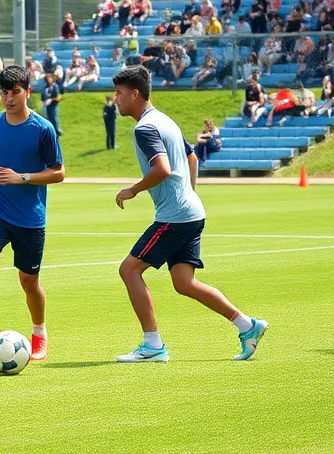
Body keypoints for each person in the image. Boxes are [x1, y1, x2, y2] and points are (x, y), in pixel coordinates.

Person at [111, 65, 266, 363]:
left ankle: (153, 346)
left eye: (119, 93)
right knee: (184, 283)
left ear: (135, 94)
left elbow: (162, 168)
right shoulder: (165, 120)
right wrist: (189, 193)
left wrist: (133, 190)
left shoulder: (145, 128)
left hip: (175, 216)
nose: (116, 99)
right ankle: (247, 325)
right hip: (191, 212)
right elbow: (191, 156)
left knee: (128, 270)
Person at [0, 65, 65, 361]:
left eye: (15, 92)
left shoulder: (43, 129)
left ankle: (39, 333)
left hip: (30, 218)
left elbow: (58, 172)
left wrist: (22, 177)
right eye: (4, 93)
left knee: (29, 282)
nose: (9, 99)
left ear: (28, 92)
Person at [42, 71, 63, 136]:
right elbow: (43, 97)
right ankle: (51, 131)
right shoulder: (45, 87)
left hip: (53, 105)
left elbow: (58, 97)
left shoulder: (55, 86)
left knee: (54, 118)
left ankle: (57, 131)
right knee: (48, 118)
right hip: (47, 106)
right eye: (47, 78)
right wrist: (43, 102)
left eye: (49, 78)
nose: (48, 80)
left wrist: (51, 100)